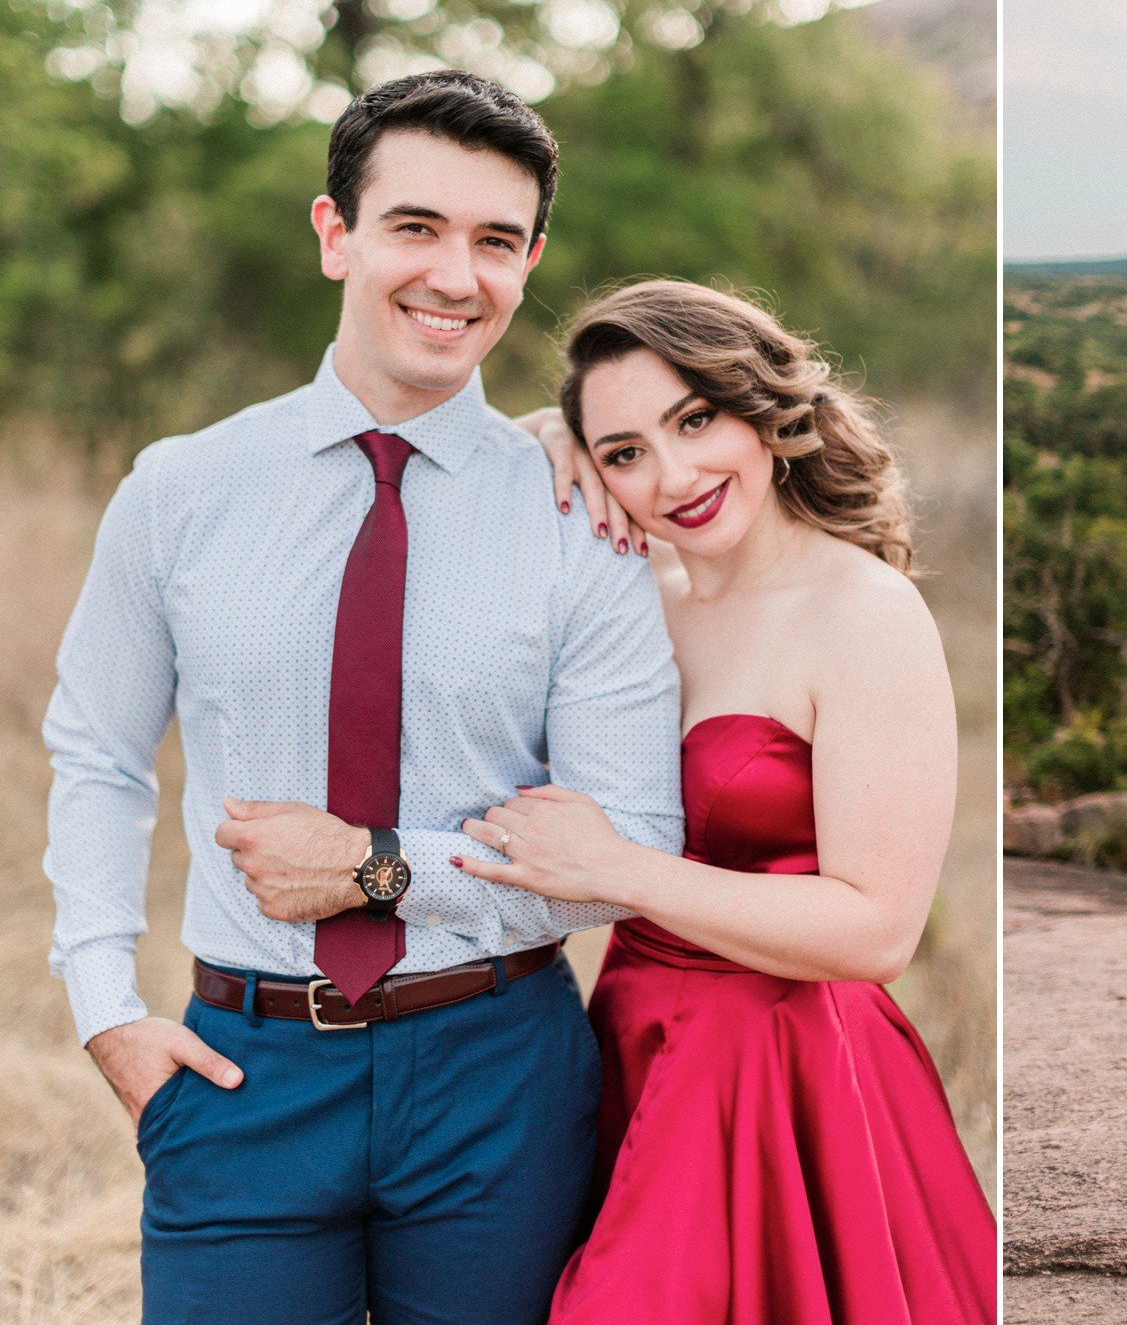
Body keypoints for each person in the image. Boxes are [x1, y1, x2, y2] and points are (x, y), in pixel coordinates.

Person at [43, 71, 681, 1324]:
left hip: (497, 1076)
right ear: (335, 235)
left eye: (495, 242)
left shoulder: (582, 523)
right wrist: (103, 1010)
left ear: (530, 261)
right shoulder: (179, 490)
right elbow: (97, 756)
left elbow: (632, 852)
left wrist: (381, 870)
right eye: (415, 227)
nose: (455, 275)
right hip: (245, 1073)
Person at [458, 279, 996, 1322]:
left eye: (695, 420)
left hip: (778, 1074)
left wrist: (620, 870)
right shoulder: (628, 593)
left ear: (760, 406)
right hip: (625, 1041)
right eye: (625, 453)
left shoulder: (863, 614)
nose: (672, 476)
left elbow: (875, 928)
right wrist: (535, 436)